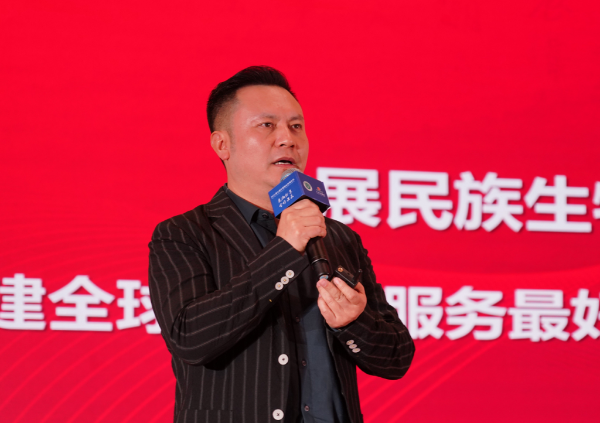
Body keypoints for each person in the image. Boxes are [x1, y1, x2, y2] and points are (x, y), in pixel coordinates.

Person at [148, 66, 415, 423]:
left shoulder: (337, 236)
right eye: (267, 125)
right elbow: (190, 338)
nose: (287, 139)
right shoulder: (183, 233)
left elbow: (397, 358)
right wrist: (284, 250)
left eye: (296, 126)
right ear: (222, 144)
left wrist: (353, 321)